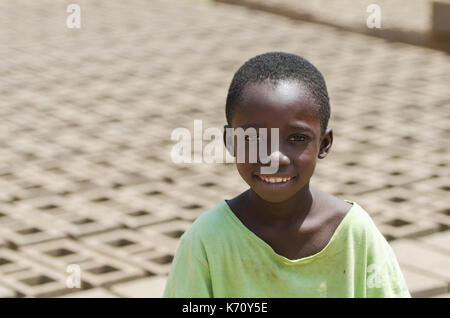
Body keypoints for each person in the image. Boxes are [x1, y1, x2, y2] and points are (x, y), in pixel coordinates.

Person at [163, 52, 411, 297]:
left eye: (297, 138)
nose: (275, 157)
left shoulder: (355, 235)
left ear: (324, 144)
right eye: (255, 138)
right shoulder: (206, 241)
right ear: (231, 142)